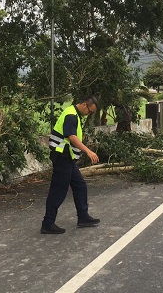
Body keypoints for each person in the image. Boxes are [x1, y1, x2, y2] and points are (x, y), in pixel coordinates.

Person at [41, 96, 101, 234]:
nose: (89, 114)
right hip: (63, 156)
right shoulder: (71, 116)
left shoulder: (74, 113)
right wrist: (88, 151)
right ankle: (48, 223)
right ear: (85, 104)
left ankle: (83, 217)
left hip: (68, 158)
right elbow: (72, 137)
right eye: (90, 111)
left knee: (80, 185)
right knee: (58, 190)